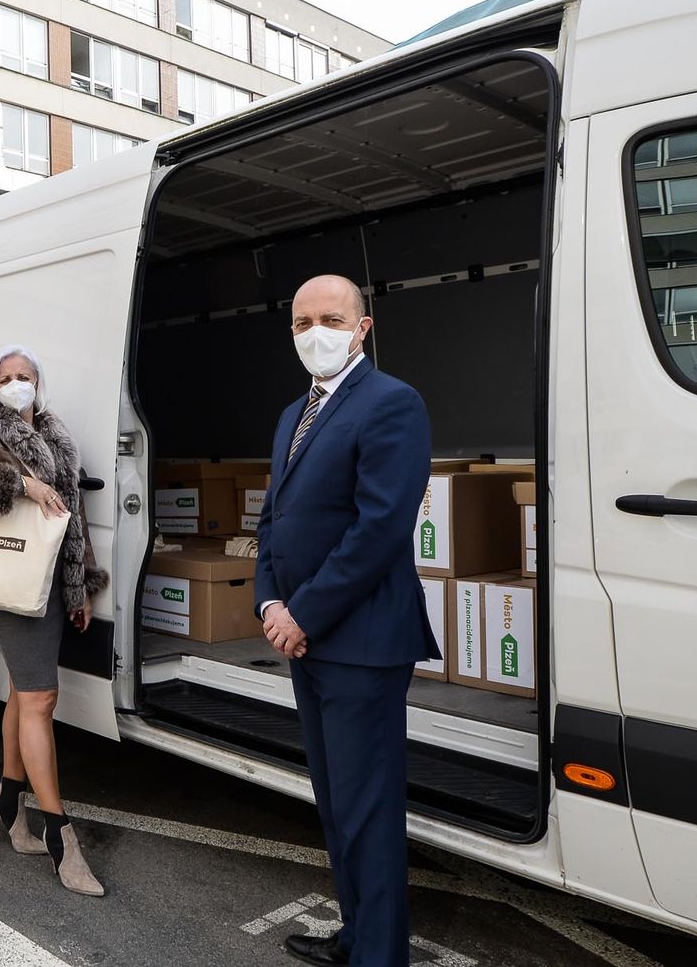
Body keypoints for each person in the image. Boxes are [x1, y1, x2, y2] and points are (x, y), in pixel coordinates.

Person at [255, 274, 436, 967]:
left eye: (329, 318)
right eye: (301, 322)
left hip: (360, 642)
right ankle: (357, 936)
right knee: (336, 806)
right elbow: (272, 521)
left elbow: (381, 527)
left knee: (369, 812)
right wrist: (270, 603)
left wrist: (304, 612)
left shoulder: (392, 404)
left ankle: (379, 956)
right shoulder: (292, 414)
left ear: (362, 327)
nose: (314, 333)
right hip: (306, 640)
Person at [0, 346, 109, 897]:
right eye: (7, 377)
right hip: (12, 584)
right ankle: (61, 836)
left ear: (40, 382)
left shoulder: (56, 433)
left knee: (21, 693)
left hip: (53, 582)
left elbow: (74, 515)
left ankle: (9, 805)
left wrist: (81, 583)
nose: (17, 384)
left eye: (25, 376)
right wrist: (19, 485)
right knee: (40, 699)